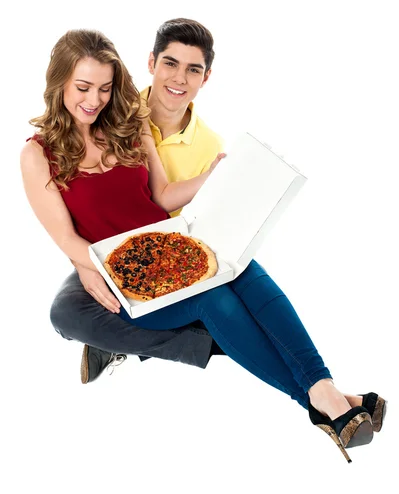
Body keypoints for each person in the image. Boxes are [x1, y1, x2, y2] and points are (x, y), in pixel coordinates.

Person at [21, 27, 385, 463]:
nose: (94, 100)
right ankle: (317, 402)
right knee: (215, 302)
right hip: (128, 273)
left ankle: (325, 390)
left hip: (173, 245)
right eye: (83, 87)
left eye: (104, 88)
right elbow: (67, 237)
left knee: (245, 270)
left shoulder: (129, 124)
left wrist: (214, 177)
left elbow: (160, 196)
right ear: (58, 81)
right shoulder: (38, 154)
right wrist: (88, 266)